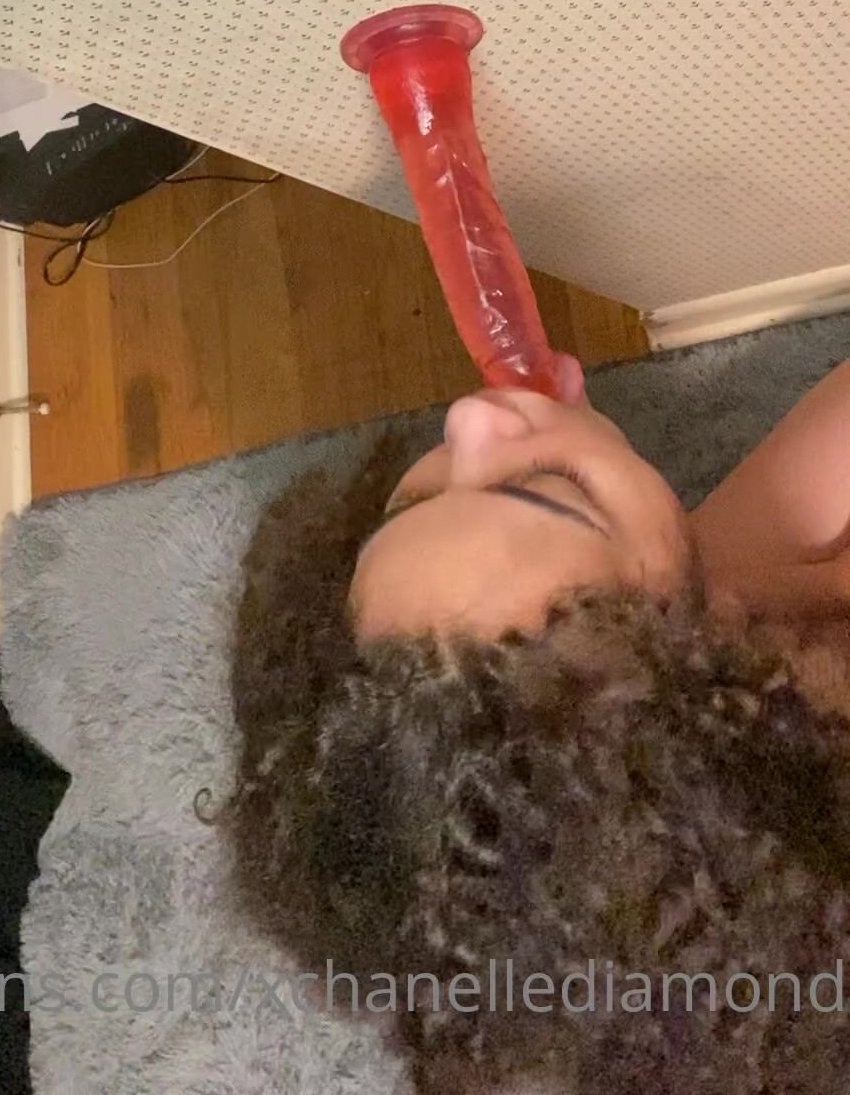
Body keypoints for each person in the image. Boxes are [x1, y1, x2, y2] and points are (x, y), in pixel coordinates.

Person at [228, 353, 850, 1094]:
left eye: (410, 505)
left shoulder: (686, 653)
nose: (470, 420)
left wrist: (772, 589)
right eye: (549, 492)